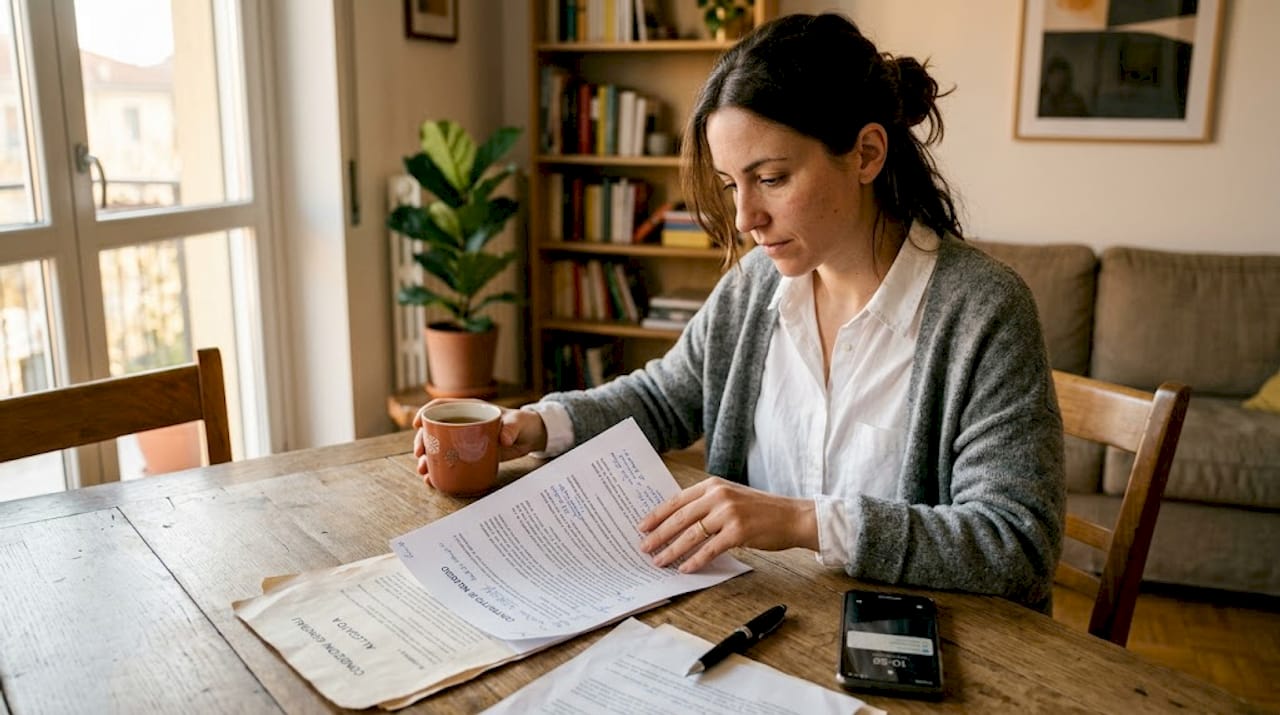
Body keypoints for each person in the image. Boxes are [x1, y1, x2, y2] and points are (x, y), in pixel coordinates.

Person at [413, 13, 1065, 612]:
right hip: (763, 621)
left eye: (772, 178)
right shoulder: (757, 285)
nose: (746, 218)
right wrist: (535, 425)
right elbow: (667, 396)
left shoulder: (983, 310)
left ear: (866, 154)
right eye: (731, 184)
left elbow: (1017, 544)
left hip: (915, 653)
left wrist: (798, 520)